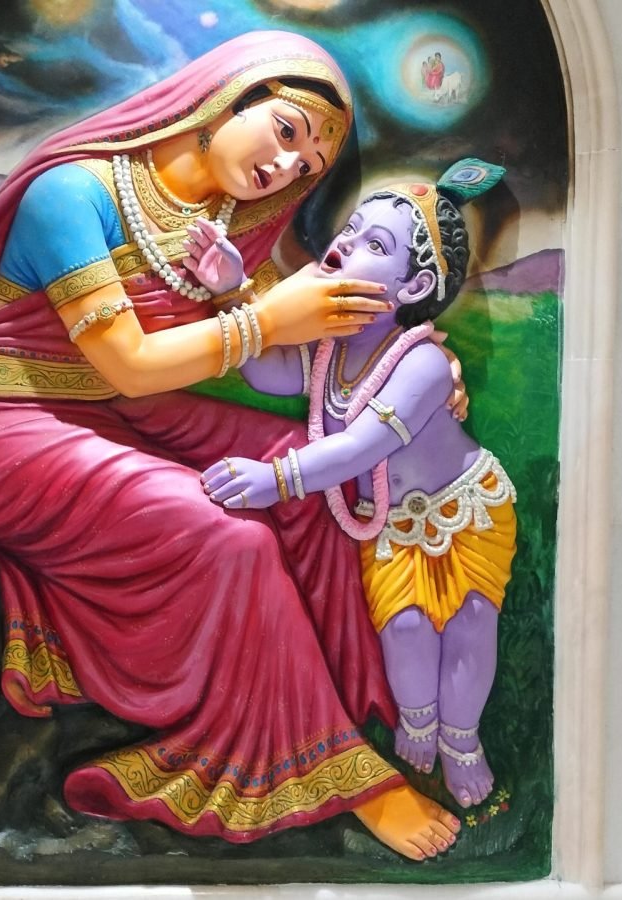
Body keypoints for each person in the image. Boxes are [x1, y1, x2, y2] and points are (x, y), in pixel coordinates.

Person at [0, 31, 463, 860]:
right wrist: (266, 319)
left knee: (302, 467)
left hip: (107, 410)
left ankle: (339, 706)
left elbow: (333, 331)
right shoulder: (72, 193)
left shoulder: (232, 218)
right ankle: (327, 772)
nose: (289, 167)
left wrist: (420, 364)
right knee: (229, 538)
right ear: (224, 98)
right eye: (286, 130)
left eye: (308, 165)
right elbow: (129, 363)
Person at [200, 160, 514, 810]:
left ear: (415, 284)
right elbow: (272, 377)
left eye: (377, 245)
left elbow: (360, 446)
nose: (347, 243)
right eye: (352, 229)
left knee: (470, 624)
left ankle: (462, 738)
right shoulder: (328, 345)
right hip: (393, 520)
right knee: (403, 629)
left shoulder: (424, 362)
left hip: (468, 509)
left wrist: (275, 480)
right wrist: (233, 292)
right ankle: (419, 720)